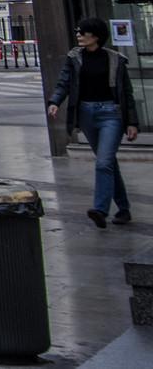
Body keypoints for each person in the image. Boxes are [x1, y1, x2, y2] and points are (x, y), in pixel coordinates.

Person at [47, 17, 140, 227]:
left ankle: (100, 210)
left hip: (111, 114)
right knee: (108, 163)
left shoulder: (116, 60)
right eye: (78, 31)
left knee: (104, 162)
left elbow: (127, 93)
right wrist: (55, 102)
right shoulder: (74, 57)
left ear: (96, 36)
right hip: (87, 113)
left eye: (83, 32)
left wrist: (132, 122)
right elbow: (64, 82)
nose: (79, 35)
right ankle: (123, 209)